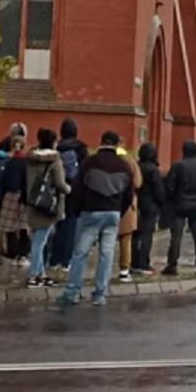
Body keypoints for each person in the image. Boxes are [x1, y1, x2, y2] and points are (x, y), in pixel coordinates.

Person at [58, 131, 133, 307]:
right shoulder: (124, 166)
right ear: (117, 144)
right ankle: (99, 294)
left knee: (80, 252)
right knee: (106, 255)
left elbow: (77, 188)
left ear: (101, 142)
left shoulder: (89, 162)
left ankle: (73, 292)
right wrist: (119, 211)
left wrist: (76, 210)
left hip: (91, 211)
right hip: (113, 213)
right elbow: (129, 195)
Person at [24, 128, 71, 287]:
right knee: (40, 242)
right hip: (48, 204)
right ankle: (34, 276)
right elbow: (59, 183)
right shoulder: (55, 160)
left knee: (39, 238)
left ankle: (41, 274)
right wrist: (68, 189)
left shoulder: (31, 158)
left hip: (34, 201)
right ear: (53, 142)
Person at [163, 140, 196, 277]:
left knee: (176, 237)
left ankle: (172, 265)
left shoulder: (177, 166)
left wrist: (171, 202)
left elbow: (170, 187)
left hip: (179, 205)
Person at [49, 118, 89, 271]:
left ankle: (54, 259)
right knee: (71, 226)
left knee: (58, 223)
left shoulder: (57, 148)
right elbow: (86, 172)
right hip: (75, 191)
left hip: (58, 189)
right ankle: (67, 260)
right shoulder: (81, 148)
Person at [0, 135, 31, 265]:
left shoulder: (9, 162)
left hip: (10, 194)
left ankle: (13, 253)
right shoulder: (27, 162)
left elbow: (3, 180)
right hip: (23, 196)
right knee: (24, 227)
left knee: (9, 228)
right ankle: (23, 254)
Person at [133, 143, 166, 275]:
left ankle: (133, 262)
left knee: (135, 235)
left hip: (136, 204)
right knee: (147, 235)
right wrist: (162, 203)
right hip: (150, 205)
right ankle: (143, 263)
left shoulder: (136, 166)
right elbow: (158, 190)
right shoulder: (153, 170)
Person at [114, 143, 144, 283]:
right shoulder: (130, 161)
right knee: (125, 239)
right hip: (127, 203)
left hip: (106, 202)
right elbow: (138, 183)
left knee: (104, 239)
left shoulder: (102, 159)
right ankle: (124, 271)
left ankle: (102, 270)